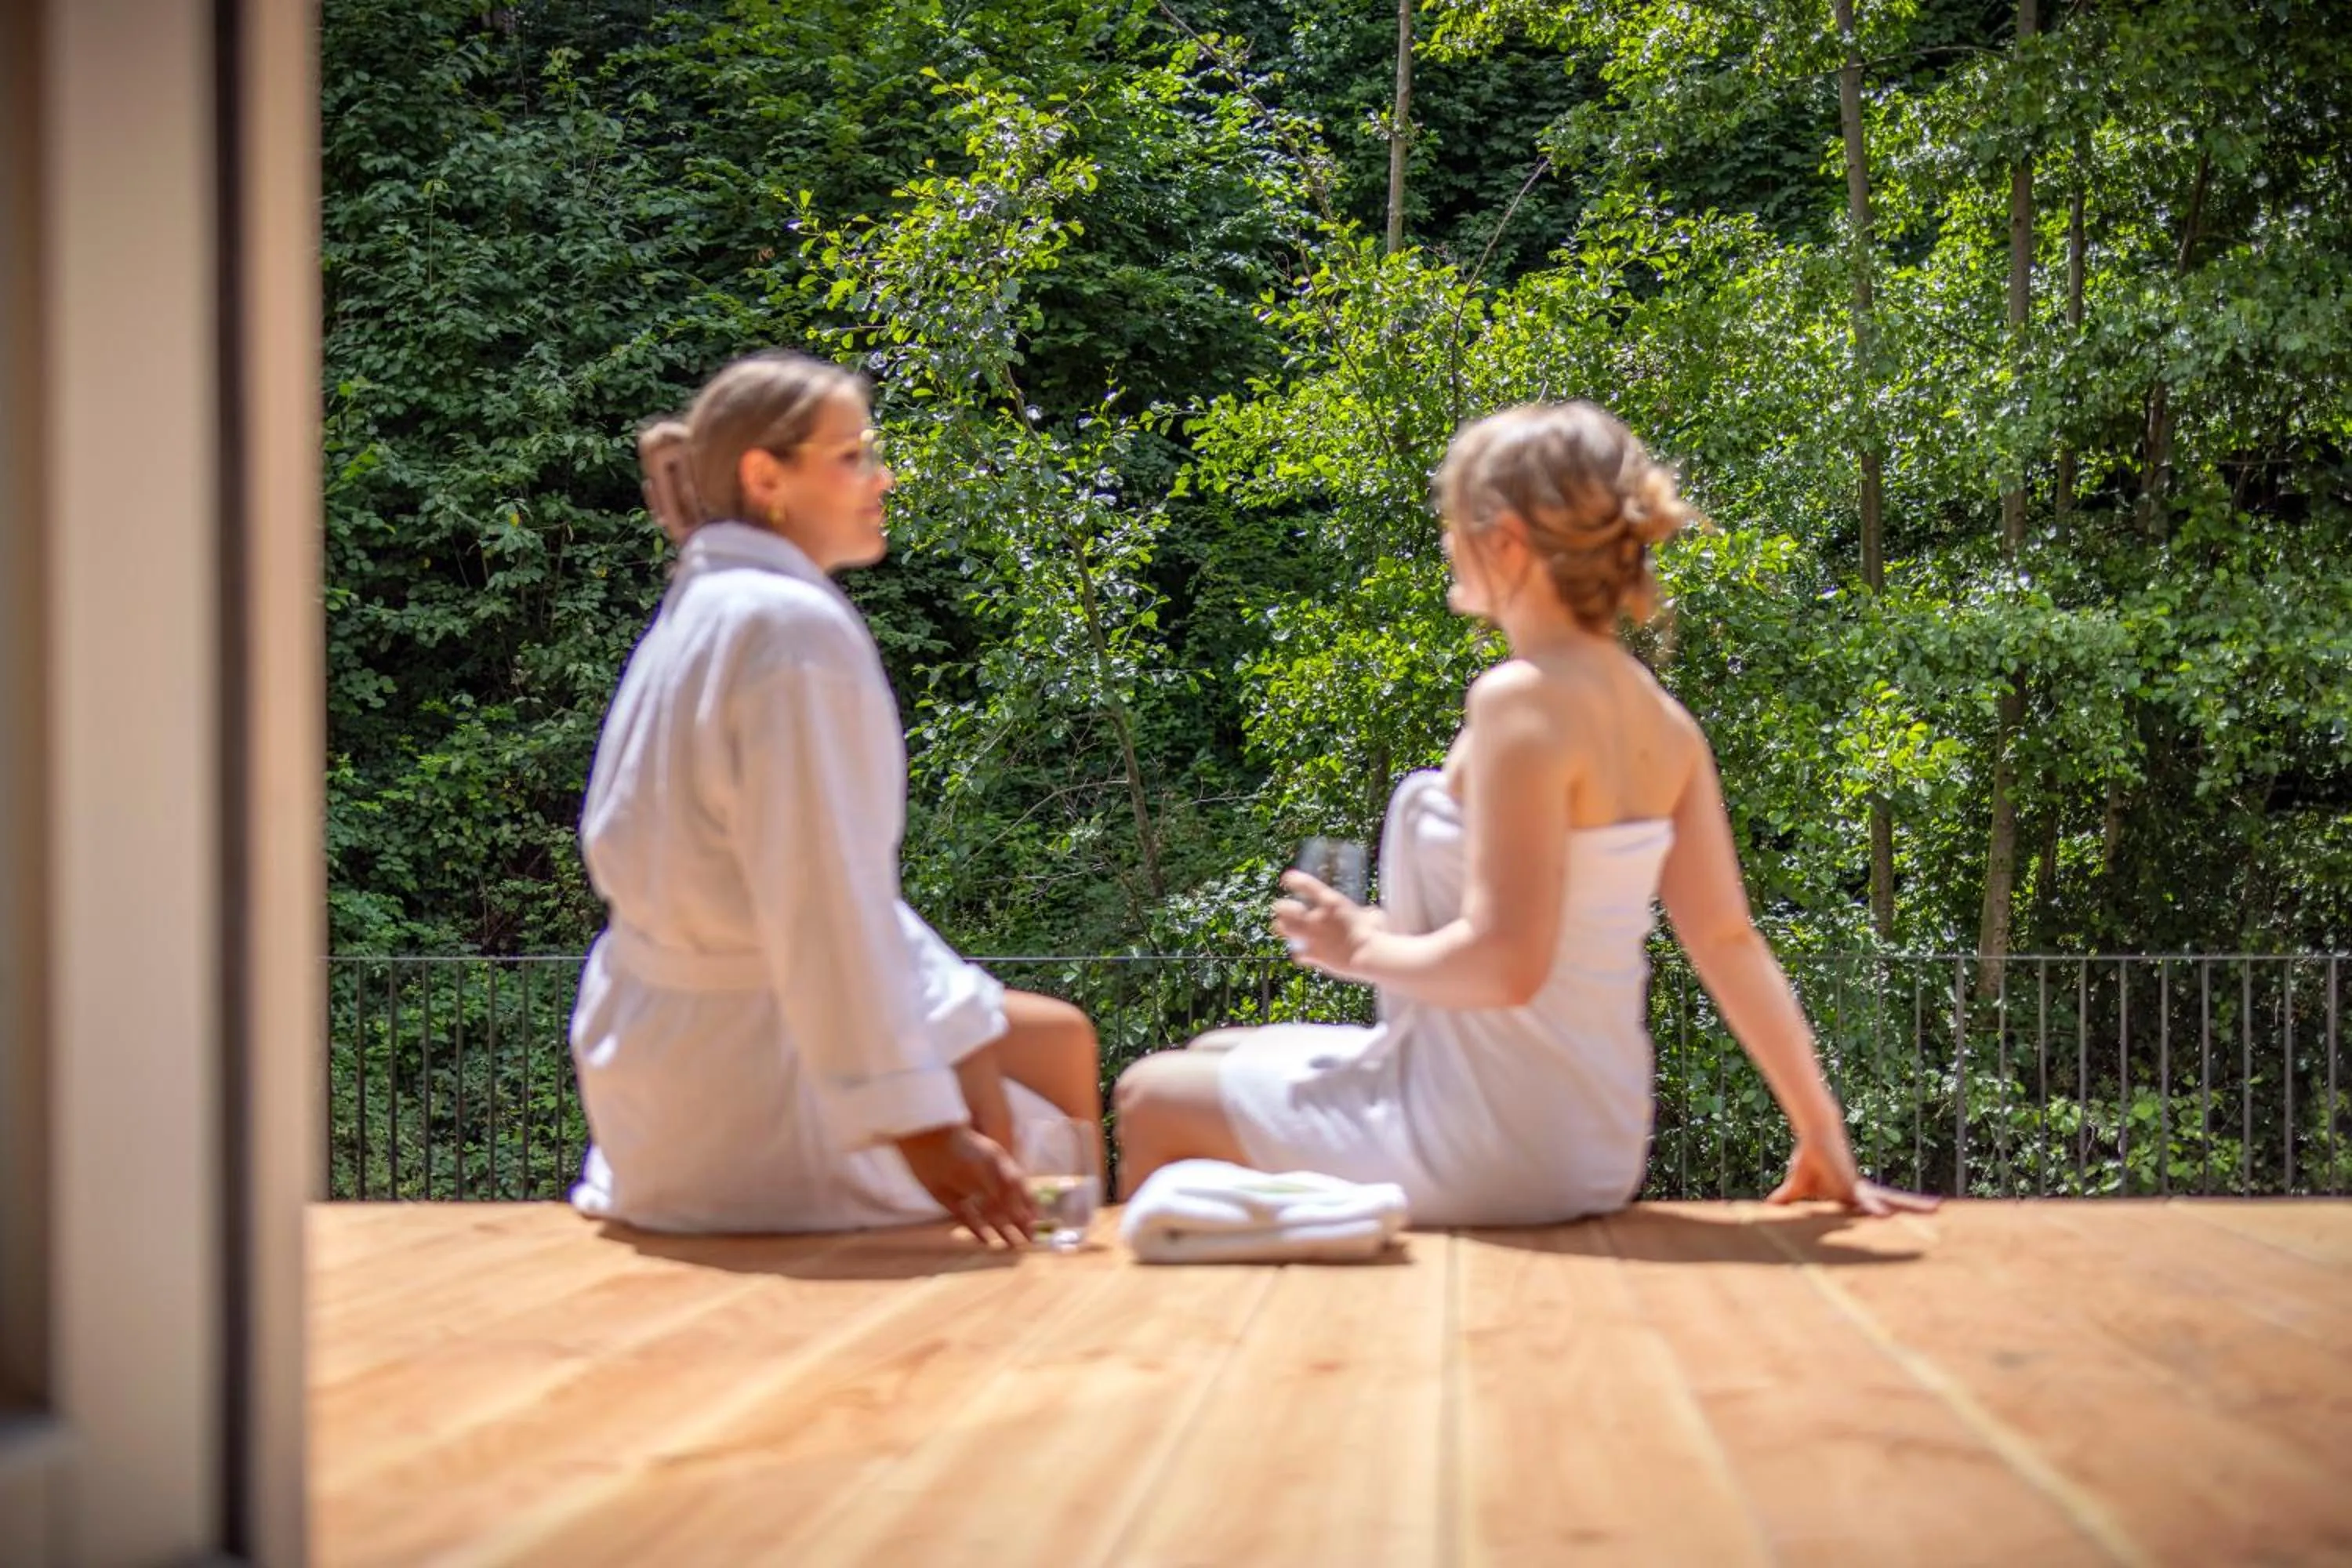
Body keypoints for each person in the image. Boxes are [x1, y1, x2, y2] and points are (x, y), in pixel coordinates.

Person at [1112, 401, 1936, 1225]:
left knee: (1149, 1094)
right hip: (1596, 1140)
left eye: (1451, 521)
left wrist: (1361, 945)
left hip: (1490, 1139)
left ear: (1506, 539)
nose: (1443, 540)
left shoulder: (1520, 701)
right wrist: (1822, 1130)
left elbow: (1509, 962)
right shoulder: (1664, 723)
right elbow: (1727, 941)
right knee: (1215, 1054)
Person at [567, 349, 1100, 1242]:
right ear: (765, 475)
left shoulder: (702, 612)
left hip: (659, 1097)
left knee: (1053, 1039)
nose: (882, 477)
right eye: (853, 456)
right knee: (1045, 1141)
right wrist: (927, 1131)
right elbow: (821, 902)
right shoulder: (788, 630)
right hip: (766, 1112)